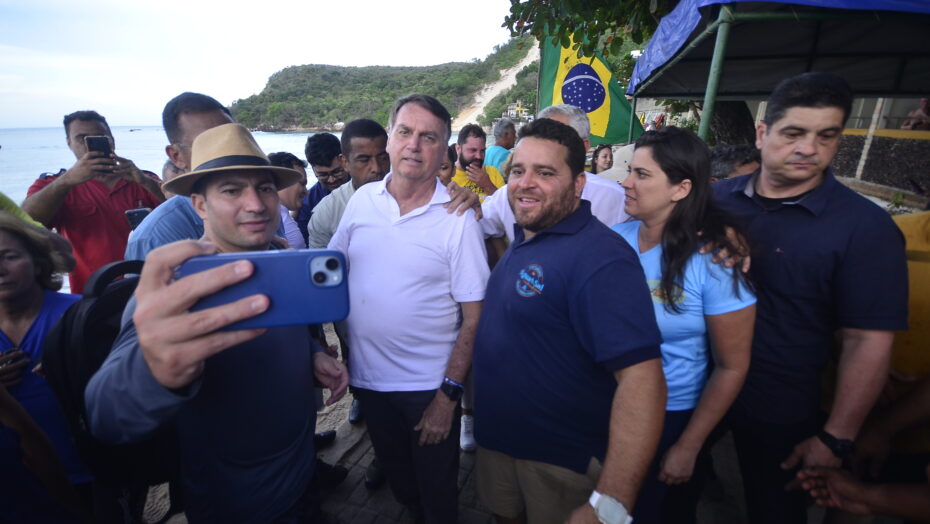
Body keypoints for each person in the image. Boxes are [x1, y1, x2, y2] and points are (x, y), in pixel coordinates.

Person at [85, 123, 348, 523]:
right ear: (200, 206)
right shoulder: (179, 287)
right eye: (231, 189)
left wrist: (312, 354)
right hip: (238, 504)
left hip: (303, 474)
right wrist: (153, 374)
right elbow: (108, 414)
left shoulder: (279, 262)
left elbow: (284, 331)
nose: (256, 204)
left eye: (263, 188)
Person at [712, 72, 909, 524]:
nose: (808, 148)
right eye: (794, 133)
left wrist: (836, 436)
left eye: (827, 136)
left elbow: (868, 340)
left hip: (779, 405)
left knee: (774, 510)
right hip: (693, 385)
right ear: (762, 134)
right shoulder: (713, 200)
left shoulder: (866, 229)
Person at [472, 117, 665, 524]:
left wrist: (610, 502)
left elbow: (643, 381)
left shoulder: (602, 258)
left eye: (545, 173)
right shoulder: (528, 235)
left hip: (559, 464)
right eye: (518, 171)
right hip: (501, 447)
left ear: (578, 184)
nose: (525, 183)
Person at [329, 94, 489, 523]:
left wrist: (448, 397)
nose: (414, 145)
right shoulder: (363, 202)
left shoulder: (458, 218)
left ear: (443, 151)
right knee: (401, 483)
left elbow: (476, 318)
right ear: (391, 139)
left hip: (427, 390)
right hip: (369, 383)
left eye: (428, 137)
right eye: (405, 132)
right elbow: (328, 274)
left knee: (438, 496)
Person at [612, 126, 756, 524]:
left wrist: (690, 446)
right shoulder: (610, 242)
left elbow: (732, 366)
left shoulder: (715, 262)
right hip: (606, 405)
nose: (626, 182)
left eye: (642, 175)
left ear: (681, 188)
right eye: (630, 170)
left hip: (671, 417)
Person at [0, 212, 93, 522]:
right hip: (14, 486)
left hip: (89, 474)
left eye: (8, 257)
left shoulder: (81, 314)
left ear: (38, 261)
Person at [23, 110, 164, 292]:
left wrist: (146, 182)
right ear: (69, 143)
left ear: (112, 140)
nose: (89, 145)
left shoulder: (144, 179)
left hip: (150, 286)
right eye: (82, 138)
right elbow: (26, 223)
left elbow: (186, 212)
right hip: (91, 294)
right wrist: (66, 181)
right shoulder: (53, 184)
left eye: (100, 137)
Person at [480, 104, 629, 244]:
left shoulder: (616, 200)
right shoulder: (511, 193)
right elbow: (475, 223)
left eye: (557, 137)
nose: (526, 183)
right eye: (539, 134)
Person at [125, 92, 234, 260]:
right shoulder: (153, 237)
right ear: (176, 156)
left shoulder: (264, 209)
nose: (224, 151)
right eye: (205, 144)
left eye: (231, 139)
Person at [306, 119, 390, 250]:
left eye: (383, 158)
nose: (377, 168)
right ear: (345, 162)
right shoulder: (326, 213)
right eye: (364, 160)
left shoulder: (417, 199)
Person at [295, 133, 349, 244]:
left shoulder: (364, 187)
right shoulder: (308, 203)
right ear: (313, 169)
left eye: (337, 172)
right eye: (323, 175)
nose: (331, 180)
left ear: (344, 160)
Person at [451, 123, 505, 199]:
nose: (479, 156)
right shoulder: (447, 175)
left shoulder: (493, 173)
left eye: (482, 151)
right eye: (473, 150)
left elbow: (505, 207)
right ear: (458, 149)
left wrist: (487, 185)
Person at [268, 152, 309, 249]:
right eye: (302, 184)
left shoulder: (280, 215)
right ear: (284, 181)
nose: (306, 192)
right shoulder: (270, 219)